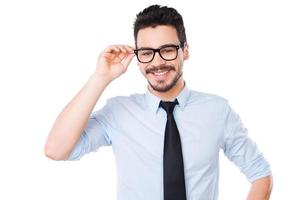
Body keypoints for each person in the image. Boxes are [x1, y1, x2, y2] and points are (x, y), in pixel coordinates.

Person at [44, 4, 273, 200]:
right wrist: (100, 78)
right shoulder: (118, 111)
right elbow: (56, 150)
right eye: (146, 52)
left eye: (167, 50)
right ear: (137, 58)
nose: (157, 62)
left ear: (185, 51)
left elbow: (260, 173)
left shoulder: (217, 110)